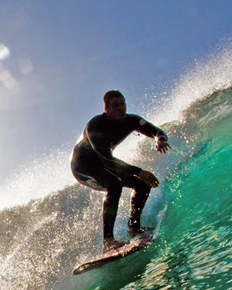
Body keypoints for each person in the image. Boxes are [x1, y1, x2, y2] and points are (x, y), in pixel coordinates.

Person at [71, 90, 170, 253]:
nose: (121, 108)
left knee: (142, 185)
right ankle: (108, 241)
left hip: (103, 165)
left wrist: (160, 139)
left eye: (123, 103)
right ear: (106, 109)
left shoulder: (131, 121)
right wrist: (138, 171)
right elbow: (107, 159)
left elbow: (156, 131)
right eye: (115, 105)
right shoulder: (95, 126)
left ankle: (134, 228)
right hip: (83, 167)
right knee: (114, 184)